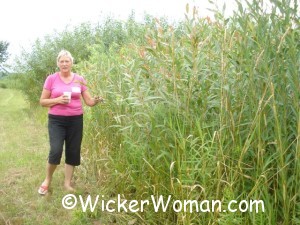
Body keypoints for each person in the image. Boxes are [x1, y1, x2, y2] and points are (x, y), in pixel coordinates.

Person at [38, 50, 102, 195]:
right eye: (62, 61)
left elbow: (89, 101)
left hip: (75, 120)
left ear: (72, 63)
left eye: (67, 61)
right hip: (56, 121)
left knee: (73, 151)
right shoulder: (51, 79)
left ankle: (67, 184)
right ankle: (47, 180)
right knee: (55, 150)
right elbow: (42, 101)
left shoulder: (79, 79)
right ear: (58, 63)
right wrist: (57, 100)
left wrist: (96, 100)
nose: (65, 63)